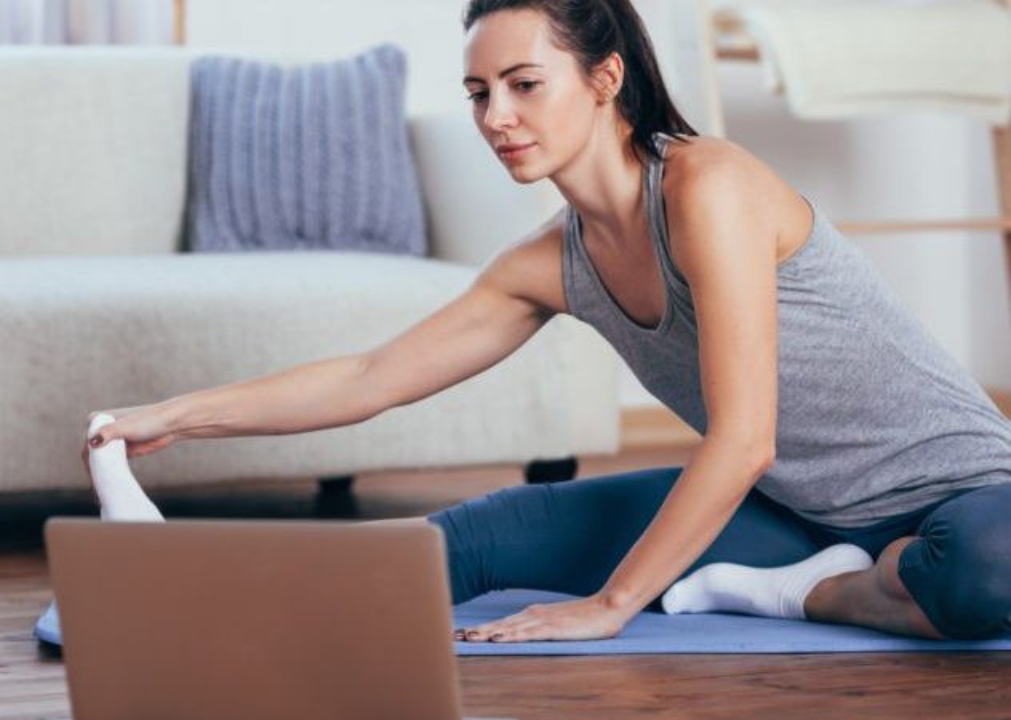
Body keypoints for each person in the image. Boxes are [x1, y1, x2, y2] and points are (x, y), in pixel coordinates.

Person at [81, 0, 1011, 643]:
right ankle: (185, 574)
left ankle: (808, 596)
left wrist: (612, 604)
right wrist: (172, 416)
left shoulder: (709, 186)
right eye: (479, 92)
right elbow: (369, 379)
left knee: (988, 569)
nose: (497, 117)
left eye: (525, 84)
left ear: (606, 78)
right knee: (472, 541)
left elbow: (744, 438)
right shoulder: (546, 264)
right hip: (794, 514)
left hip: (967, 497)